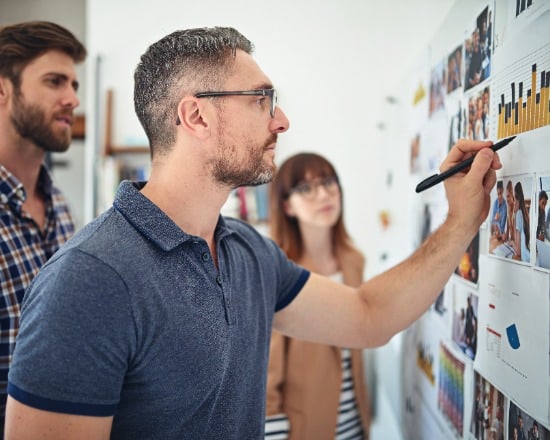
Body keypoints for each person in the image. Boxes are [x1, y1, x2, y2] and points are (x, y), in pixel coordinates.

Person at [5, 26, 501, 439]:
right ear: (196, 115)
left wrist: (460, 222)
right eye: (262, 100)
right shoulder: (89, 281)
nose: (281, 120)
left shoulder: (247, 251)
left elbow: (368, 316)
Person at [0, 21, 86, 429]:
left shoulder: (60, 208)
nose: (72, 99)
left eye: (74, 85)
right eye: (55, 82)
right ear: (2, 90)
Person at [264, 153, 370, 440]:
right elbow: (267, 375)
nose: (323, 194)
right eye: (306, 188)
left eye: (328, 182)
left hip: (355, 421)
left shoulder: (354, 262)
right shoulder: (279, 273)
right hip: (304, 427)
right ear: (287, 205)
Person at [513, 182, 530, 262]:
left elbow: (518, 251)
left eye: (514, 198)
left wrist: (512, 243)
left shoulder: (519, 214)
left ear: (517, 199)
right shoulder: (524, 213)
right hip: (527, 256)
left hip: (524, 259)